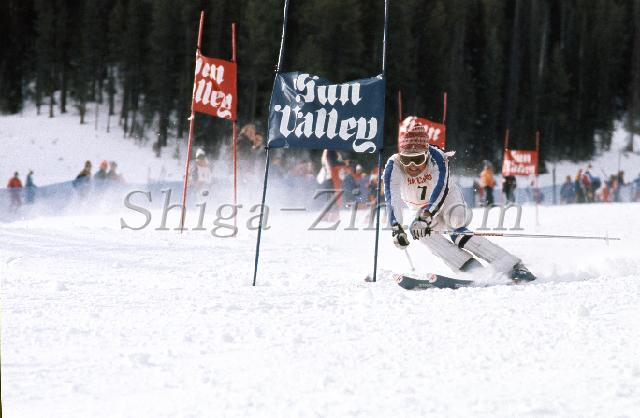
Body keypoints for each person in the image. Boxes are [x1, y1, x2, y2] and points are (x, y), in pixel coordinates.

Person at [383, 116, 535, 282]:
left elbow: (440, 189)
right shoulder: (393, 165)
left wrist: (426, 216)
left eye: (418, 159)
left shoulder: (437, 157)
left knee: (457, 229)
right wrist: (397, 228)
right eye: (407, 159)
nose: (412, 166)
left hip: (447, 199)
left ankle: (512, 265)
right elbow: (392, 198)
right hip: (419, 207)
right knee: (420, 232)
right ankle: (471, 269)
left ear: (426, 153)